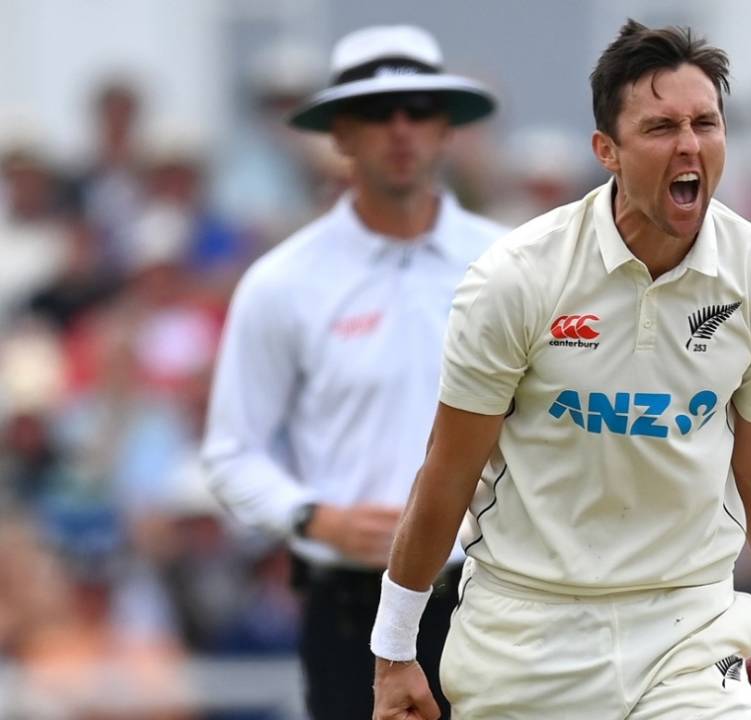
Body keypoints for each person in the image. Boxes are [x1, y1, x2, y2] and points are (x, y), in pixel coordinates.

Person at [372, 19, 751, 720]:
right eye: (662, 127)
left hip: (689, 625)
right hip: (526, 630)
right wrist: (394, 649)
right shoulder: (516, 280)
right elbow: (449, 470)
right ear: (605, 150)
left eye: (706, 122)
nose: (690, 144)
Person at [201, 24, 504, 720]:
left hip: (491, 594)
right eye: (375, 112)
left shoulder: (510, 265)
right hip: (349, 602)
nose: (399, 130)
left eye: (418, 110)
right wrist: (316, 518)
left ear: (446, 128)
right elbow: (230, 451)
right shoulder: (284, 281)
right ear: (340, 132)